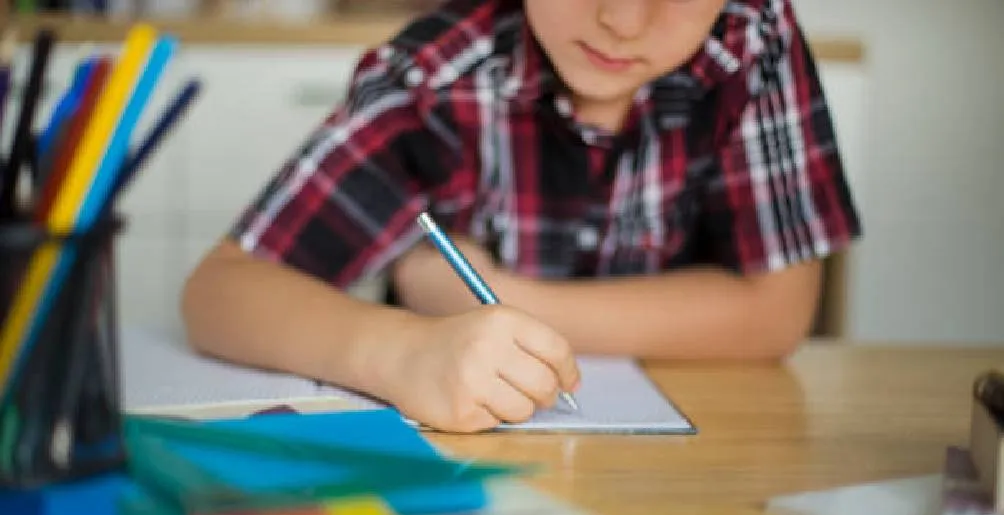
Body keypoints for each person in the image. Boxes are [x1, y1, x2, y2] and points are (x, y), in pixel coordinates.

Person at [181, 0, 862, 432]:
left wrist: (510, 299)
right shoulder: (431, 76)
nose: (623, 20)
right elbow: (219, 290)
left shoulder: (753, 39)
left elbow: (778, 313)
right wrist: (401, 350)